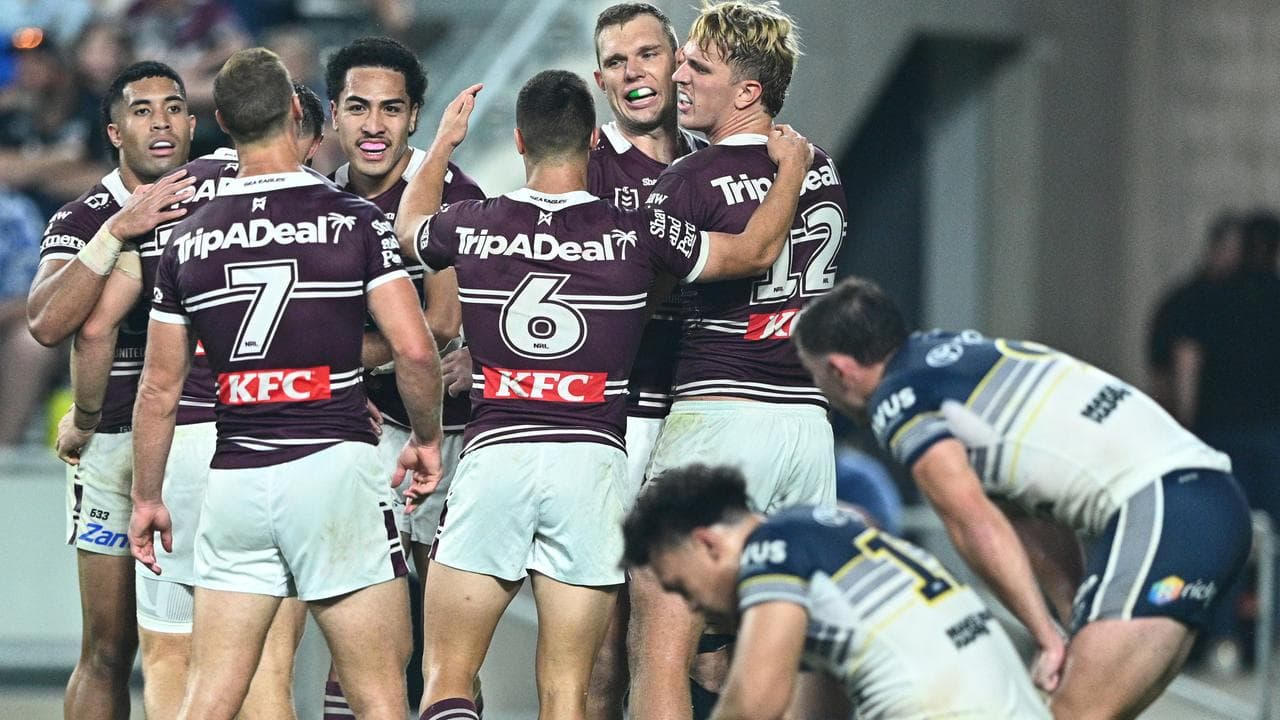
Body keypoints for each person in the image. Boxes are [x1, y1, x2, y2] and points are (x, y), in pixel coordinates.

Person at [393, 69, 813, 720]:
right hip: (590, 468)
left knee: (447, 672)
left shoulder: (472, 223)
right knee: (568, 691)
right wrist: (791, 172)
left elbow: (408, 226)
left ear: (519, 141)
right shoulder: (638, 230)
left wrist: (445, 143)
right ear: (594, 139)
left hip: (496, 455)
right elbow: (753, 253)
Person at [129, 47, 443, 720]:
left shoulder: (187, 239)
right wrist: (426, 439)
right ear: (299, 111)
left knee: (208, 698)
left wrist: (147, 497)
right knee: (379, 695)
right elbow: (416, 349)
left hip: (236, 482)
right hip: (333, 468)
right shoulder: (354, 219)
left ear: (220, 121)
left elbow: (158, 390)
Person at [792, 276, 1253, 719]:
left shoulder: (898, 397)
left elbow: (972, 521)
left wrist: (1045, 636)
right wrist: (1070, 622)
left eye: (815, 377)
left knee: (1071, 712)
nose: (821, 394)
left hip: (1164, 508)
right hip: (1203, 504)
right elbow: (1025, 513)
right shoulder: (948, 358)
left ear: (839, 369)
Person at [56, 81, 327, 719]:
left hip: (179, 446)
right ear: (301, 127)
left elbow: (94, 332)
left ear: (218, 119)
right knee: (269, 671)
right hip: (284, 443)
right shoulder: (330, 208)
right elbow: (402, 337)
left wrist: (86, 419)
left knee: (163, 658)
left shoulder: (172, 199)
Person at [631, 3, 847, 715]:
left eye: (698, 67)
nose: (678, 77)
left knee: (659, 654)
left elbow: (637, 300)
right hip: (807, 431)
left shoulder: (688, 182)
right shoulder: (821, 170)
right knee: (771, 658)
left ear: (749, 91)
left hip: (720, 420)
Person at [26, 59, 198, 720]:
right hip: (113, 444)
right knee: (108, 648)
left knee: (205, 645)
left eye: (174, 107)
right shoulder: (86, 215)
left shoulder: (220, 204)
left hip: (201, 437)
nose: (161, 122)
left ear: (192, 122)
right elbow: (47, 322)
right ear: (115, 132)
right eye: (142, 110)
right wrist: (119, 229)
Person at [322, 35, 485, 717]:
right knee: (363, 641)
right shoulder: (322, 198)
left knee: (448, 649)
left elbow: (441, 325)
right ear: (333, 114)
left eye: (391, 108)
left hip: (449, 436)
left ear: (414, 116)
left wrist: (340, 364)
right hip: (367, 434)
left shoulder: (452, 192)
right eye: (358, 107)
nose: (374, 125)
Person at [622, 464, 1051, 719]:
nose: (693, 604)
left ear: (708, 545)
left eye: (683, 586)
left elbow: (752, 706)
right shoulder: (820, 542)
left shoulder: (770, 552)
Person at [585, 5, 708, 715]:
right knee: (605, 653)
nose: (634, 72)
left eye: (647, 54)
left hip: (701, 416)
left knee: (708, 647)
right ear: (600, 79)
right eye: (617, 61)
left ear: (676, 61)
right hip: (618, 424)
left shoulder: (717, 160)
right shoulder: (585, 165)